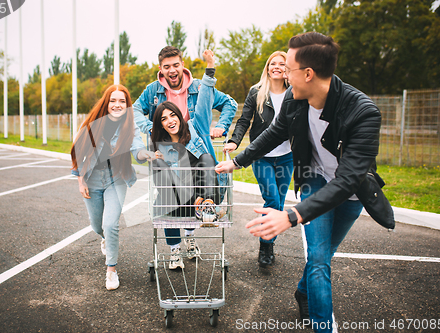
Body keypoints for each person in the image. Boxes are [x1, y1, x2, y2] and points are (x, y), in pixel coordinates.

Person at [215, 32, 394, 333]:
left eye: (289, 69)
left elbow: (349, 179)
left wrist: (292, 215)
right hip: (313, 180)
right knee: (320, 260)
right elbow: (273, 133)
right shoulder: (295, 100)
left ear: (308, 74)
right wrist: (236, 162)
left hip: (350, 192)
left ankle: (303, 290)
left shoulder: (363, 112)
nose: (284, 74)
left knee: (322, 257)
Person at [71, 84, 153, 290]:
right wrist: (80, 181)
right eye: (113, 100)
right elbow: (78, 152)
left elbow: (138, 149)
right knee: (97, 226)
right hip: (92, 179)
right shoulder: (93, 123)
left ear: (127, 105)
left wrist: (147, 155)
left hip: (117, 178)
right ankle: (104, 240)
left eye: (122, 101)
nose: (117, 105)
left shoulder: (130, 125)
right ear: (106, 103)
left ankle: (111, 270)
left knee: (111, 224)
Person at [150, 50, 224, 270]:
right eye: (163, 119)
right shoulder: (160, 148)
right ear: (160, 125)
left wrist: (210, 68)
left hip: (200, 199)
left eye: (173, 115)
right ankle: (175, 250)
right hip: (176, 202)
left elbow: (203, 101)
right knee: (160, 167)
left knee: (206, 158)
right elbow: (163, 187)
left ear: (180, 117)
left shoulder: (195, 130)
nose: (170, 120)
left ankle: (207, 206)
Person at [223, 50, 293, 268]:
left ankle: (269, 243)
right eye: (273, 63)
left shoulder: (295, 92)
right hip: (262, 157)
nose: (277, 67)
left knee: (279, 204)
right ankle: (266, 246)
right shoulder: (257, 92)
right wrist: (235, 140)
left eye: (282, 64)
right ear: (267, 67)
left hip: (287, 157)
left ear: (287, 69)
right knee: (272, 200)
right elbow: (244, 120)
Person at [133, 45, 237, 164]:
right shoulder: (153, 90)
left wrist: (221, 125)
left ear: (182, 64)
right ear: (160, 69)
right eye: (167, 67)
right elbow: (135, 110)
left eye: (176, 65)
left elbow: (229, 103)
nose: (172, 70)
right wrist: (151, 127)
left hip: (196, 149)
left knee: (204, 166)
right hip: (168, 151)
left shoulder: (199, 88)